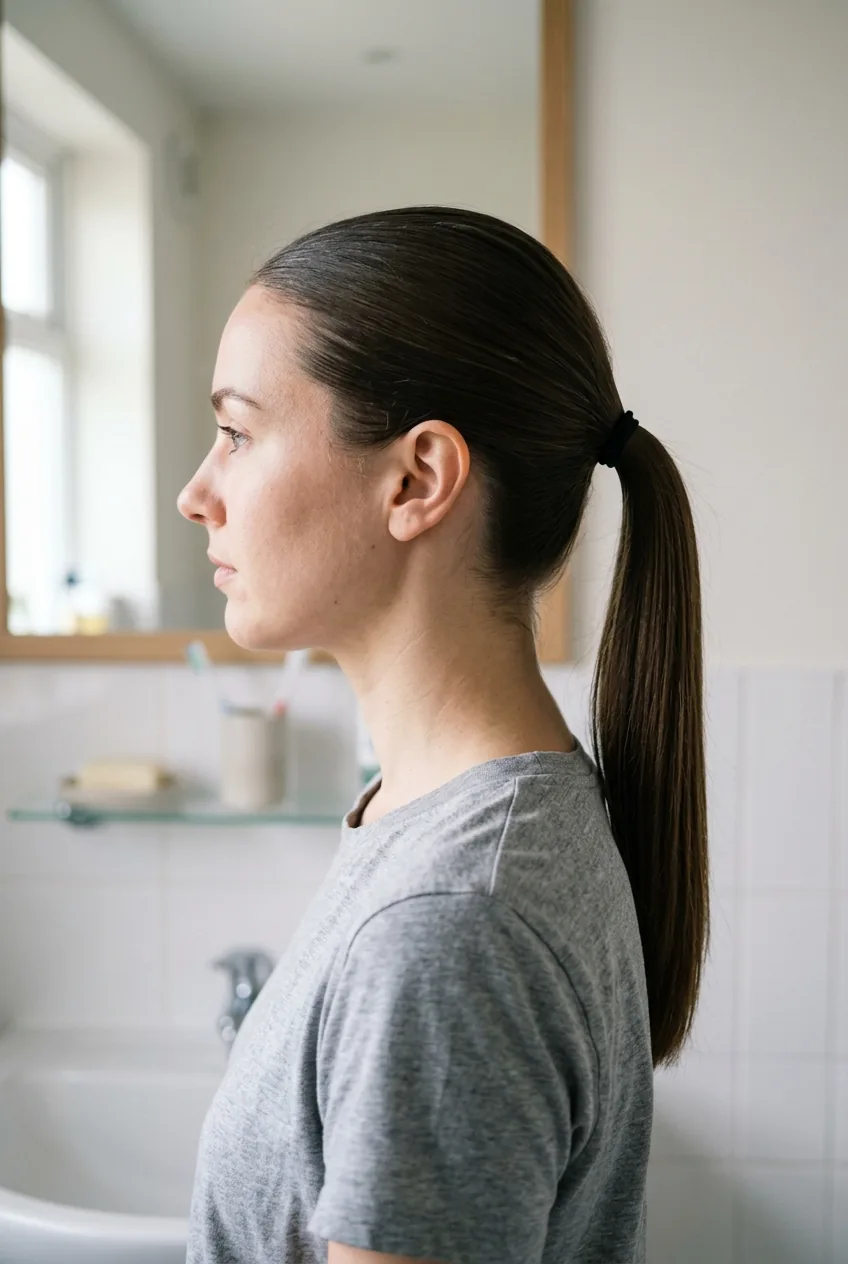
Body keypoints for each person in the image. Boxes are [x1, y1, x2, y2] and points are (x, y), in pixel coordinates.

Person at [177, 205, 709, 1264]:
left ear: (416, 479)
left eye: (236, 432)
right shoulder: (452, 823)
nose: (197, 493)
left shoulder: (450, 925)